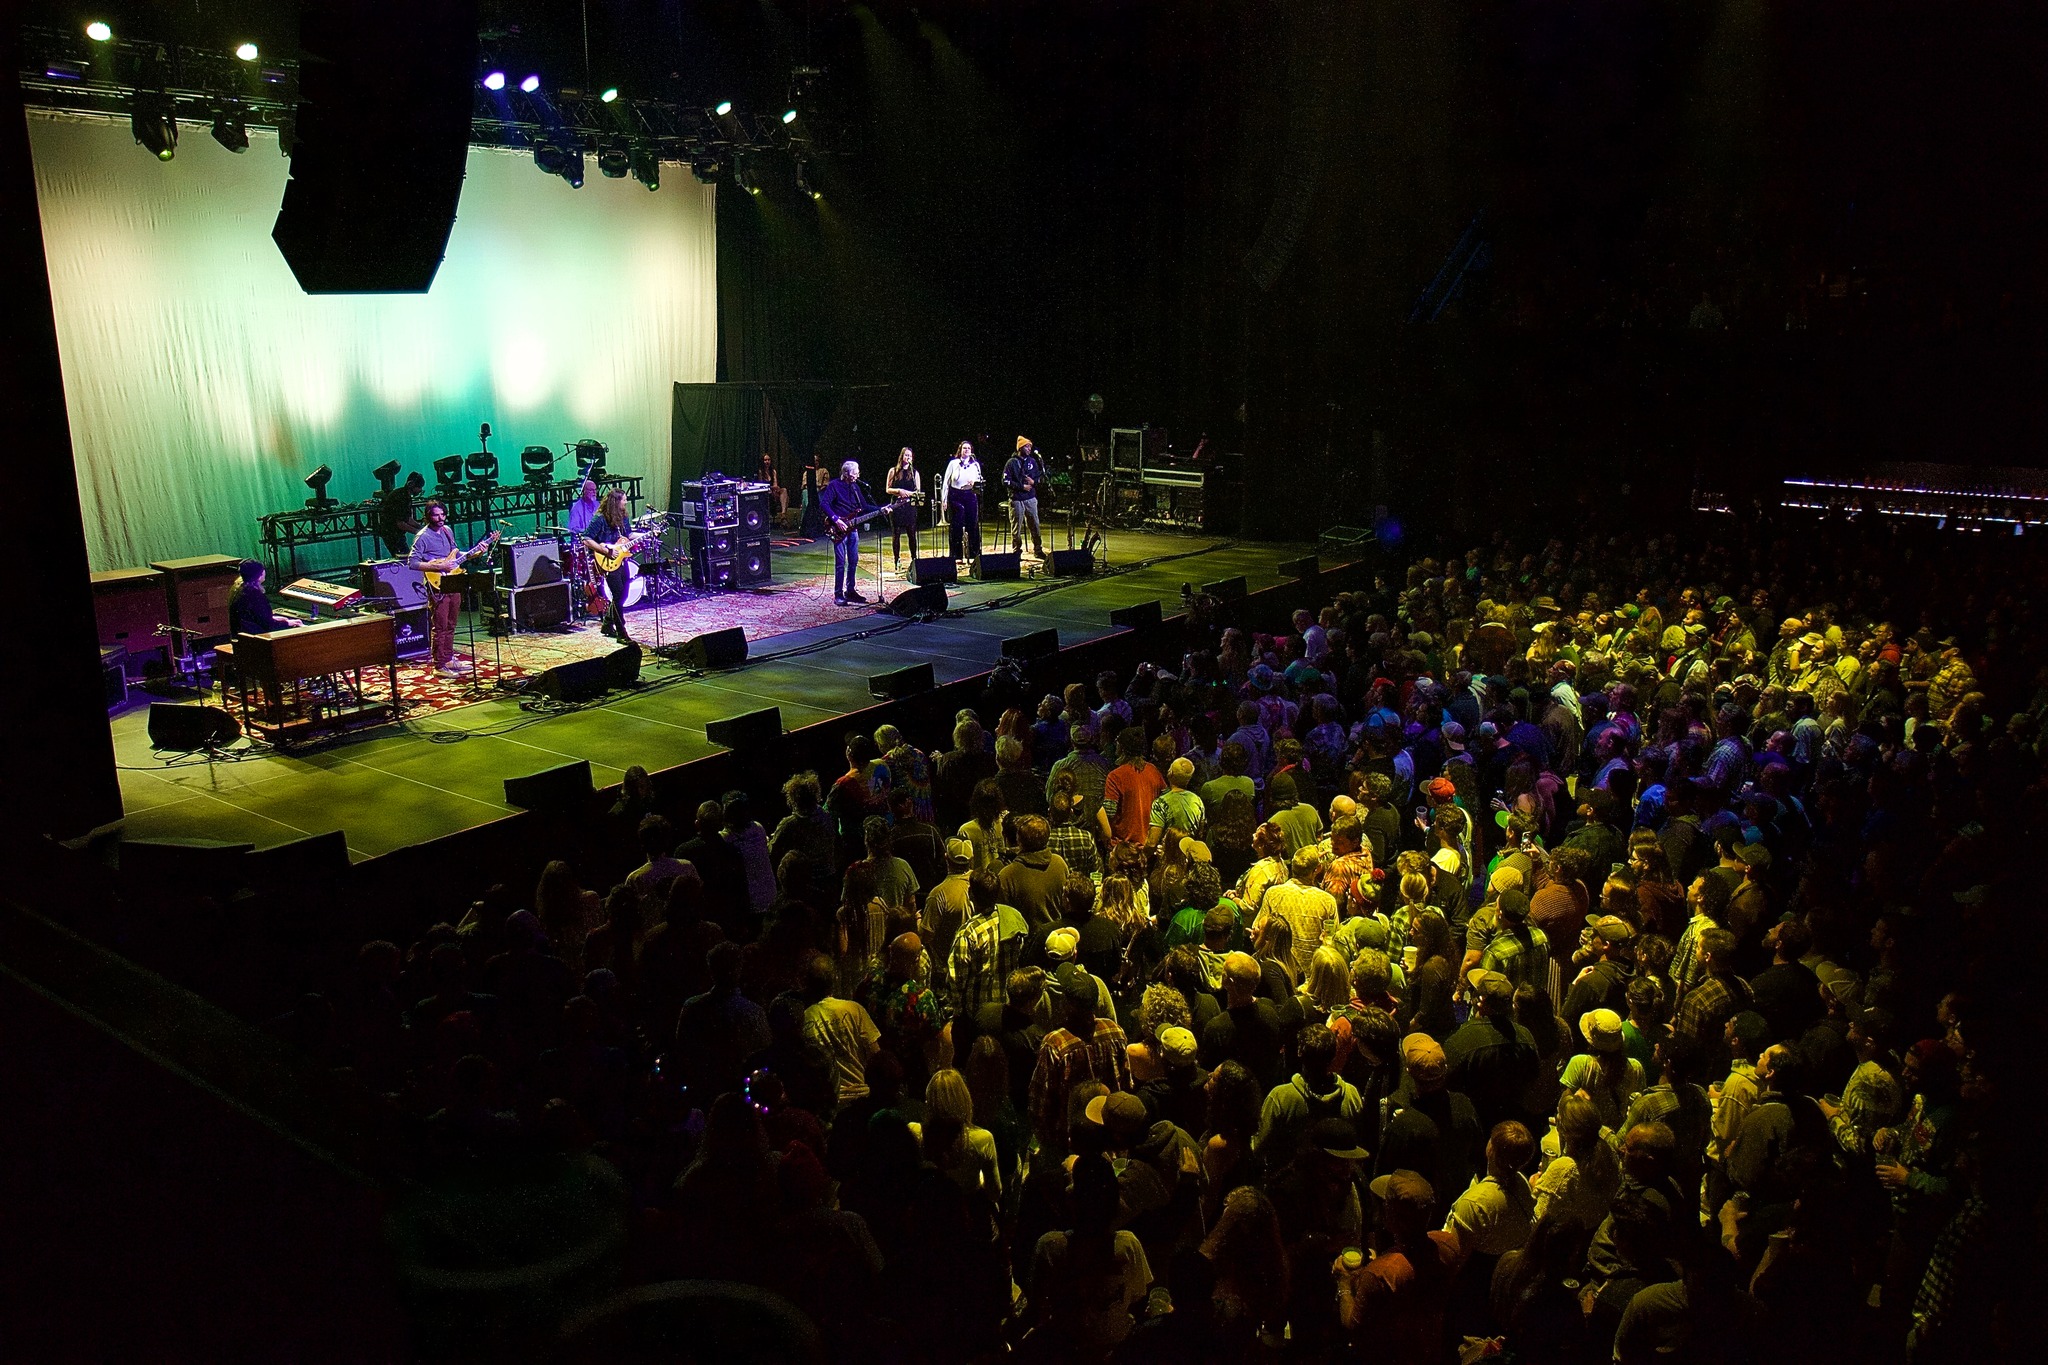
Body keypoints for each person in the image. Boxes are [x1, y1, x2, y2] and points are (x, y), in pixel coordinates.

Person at [410, 499, 487, 675]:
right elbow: (412, 562)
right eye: (435, 515)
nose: (440, 518)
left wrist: (477, 552)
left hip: (453, 580)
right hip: (437, 583)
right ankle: (439, 665)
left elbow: (456, 555)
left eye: (442, 514)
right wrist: (439, 567)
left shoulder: (447, 531)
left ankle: (448, 658)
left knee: (452, 622)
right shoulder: (422, 536)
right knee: (440, 624)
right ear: (428, 516)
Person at [576, 487, 637, 642]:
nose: (626, 502)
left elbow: (629, 535)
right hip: (607, 561)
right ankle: (621, 632)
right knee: (617, 594)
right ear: (616, 502)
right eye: (624, 499)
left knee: (623, 594)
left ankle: (607, 624)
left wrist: (645, 535)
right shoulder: (600, 518)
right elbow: (586, 538)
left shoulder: (622, 517)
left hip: (621, 560)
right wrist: (605, 551)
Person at [819, 458, 873, 605]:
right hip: (838, 529)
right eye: (855, 473)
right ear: (846, 473)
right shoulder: (834, 485)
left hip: (853, 529)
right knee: (841, 562)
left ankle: (850, 591)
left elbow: (865, 506)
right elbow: (824, 504)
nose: (858, 475)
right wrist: (836, 520)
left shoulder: (855, 487)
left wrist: (883, 509)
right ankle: (838, 594)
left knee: (854, 561)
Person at [941, 439, 983, 567]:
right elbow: (946, 482)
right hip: (955, 495)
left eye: (969, 449)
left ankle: (974, 554)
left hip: (970, 495)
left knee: (973, 525)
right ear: (960, 450)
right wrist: (944, 499)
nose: (967, 450)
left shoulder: (975, 465)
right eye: (964, 448)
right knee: (956, 526)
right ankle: (956, 555)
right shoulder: (954, 463)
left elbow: (979, 479)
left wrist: (975, 481)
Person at [227, 559, 295, 637]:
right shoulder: (254, 594)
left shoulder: (238, 588)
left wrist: (275, 619)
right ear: (259, 575)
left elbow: (255, 618)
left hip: (240, 635)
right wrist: (288, 623)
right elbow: (268, 626)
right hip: (255, 639)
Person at [1003, 435, 1045, 559]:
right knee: (1016, 526)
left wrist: (1034, 482)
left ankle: (1038, 549)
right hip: (1016, 499)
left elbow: (1039, 477)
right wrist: (1021, 487)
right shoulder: (1011, 463)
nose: (1029, 449)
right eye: (1026, 446)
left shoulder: (1032, 461)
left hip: (1030, 498)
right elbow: (1005, 481)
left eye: (1030, 446)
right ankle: (1017, 550)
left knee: (1035, 524)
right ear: (1020, 447)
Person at [884, 446, 922, 569]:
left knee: (912, 533)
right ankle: (897, 560)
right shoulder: (893, 471)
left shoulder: (914, 473)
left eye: (910, 456)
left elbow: (918, 492)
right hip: (896, 506)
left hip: (909, 506)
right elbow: (888, 489)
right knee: (896, 533)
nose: (908, 458)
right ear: (901, 456)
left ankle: (914, 558)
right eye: (906, 455)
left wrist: (908, 493)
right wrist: (899, 491)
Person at [373, 469, 426, 556]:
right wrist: (418, 532)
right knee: (403, 558)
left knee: (405, 557)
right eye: (419, 487)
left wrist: (421, 528)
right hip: (391, 534)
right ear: (411, 485)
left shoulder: (404, 495)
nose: (420, 490)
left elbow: (407, 518)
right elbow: (400, 523)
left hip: (395, 534)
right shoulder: (401, 497)